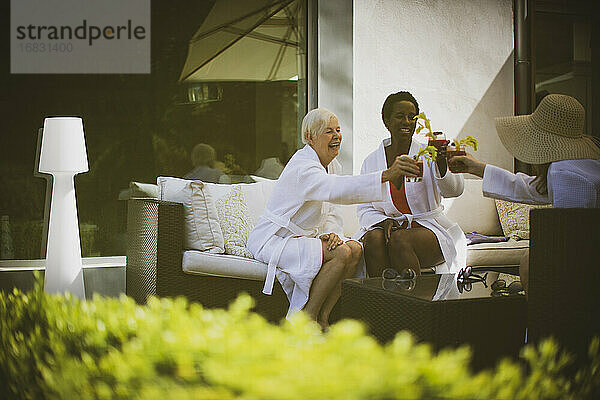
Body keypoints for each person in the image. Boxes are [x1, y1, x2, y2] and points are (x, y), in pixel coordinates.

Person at [247, 108, 406, 329]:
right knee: (341, 252)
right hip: (275, 240)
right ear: (309, 138)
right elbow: (334, 190)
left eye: (338, 130)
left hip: (305, 239)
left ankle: (324, 317)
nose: (336, 136)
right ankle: (306, 318)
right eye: (328, 131)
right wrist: (385, 175)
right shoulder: (303, 166)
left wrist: (333, 234)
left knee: (355, 249)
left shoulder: (332, 166)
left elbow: (331, 210)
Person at [448, 93, 600, 291]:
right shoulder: (583, 164)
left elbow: (567, 233)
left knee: (530, 263)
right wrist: (477, 168)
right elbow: (533, 188)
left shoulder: (565, 172)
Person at [353, 91, 467, 277]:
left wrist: (442, 163)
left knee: (399, 239)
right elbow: (364, 208)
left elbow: (455, 191)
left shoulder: (429, 154)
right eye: (399, 116)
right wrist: (382, 222)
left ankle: (414, 304)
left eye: (411, 117)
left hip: (429, 230)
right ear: (386, 121)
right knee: (373, 238)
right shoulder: (372, 162)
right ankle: (379, 301)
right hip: (393, 231)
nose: (406, 122)